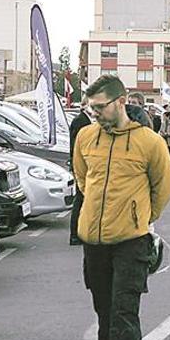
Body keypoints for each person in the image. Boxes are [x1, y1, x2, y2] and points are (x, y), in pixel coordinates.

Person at [73, 75, 170, 340]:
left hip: (131, 242)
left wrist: (139, 217)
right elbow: (82, 178)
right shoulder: (86, 137)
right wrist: (95, 213)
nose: (96, 114)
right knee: (104, 311)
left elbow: (162, 190)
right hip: (94, 243)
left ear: (121, 101)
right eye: (92, 109)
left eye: (100, 107)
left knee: (123, 313)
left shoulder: (149, 142)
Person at [69, 94, 94, 246]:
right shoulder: (80, 121)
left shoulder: (87, 120)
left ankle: (80, 232)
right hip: (80, 165)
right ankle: (75, 234)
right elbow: (76, 147)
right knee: (79, 199)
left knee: (83, 199)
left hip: (85, 164)